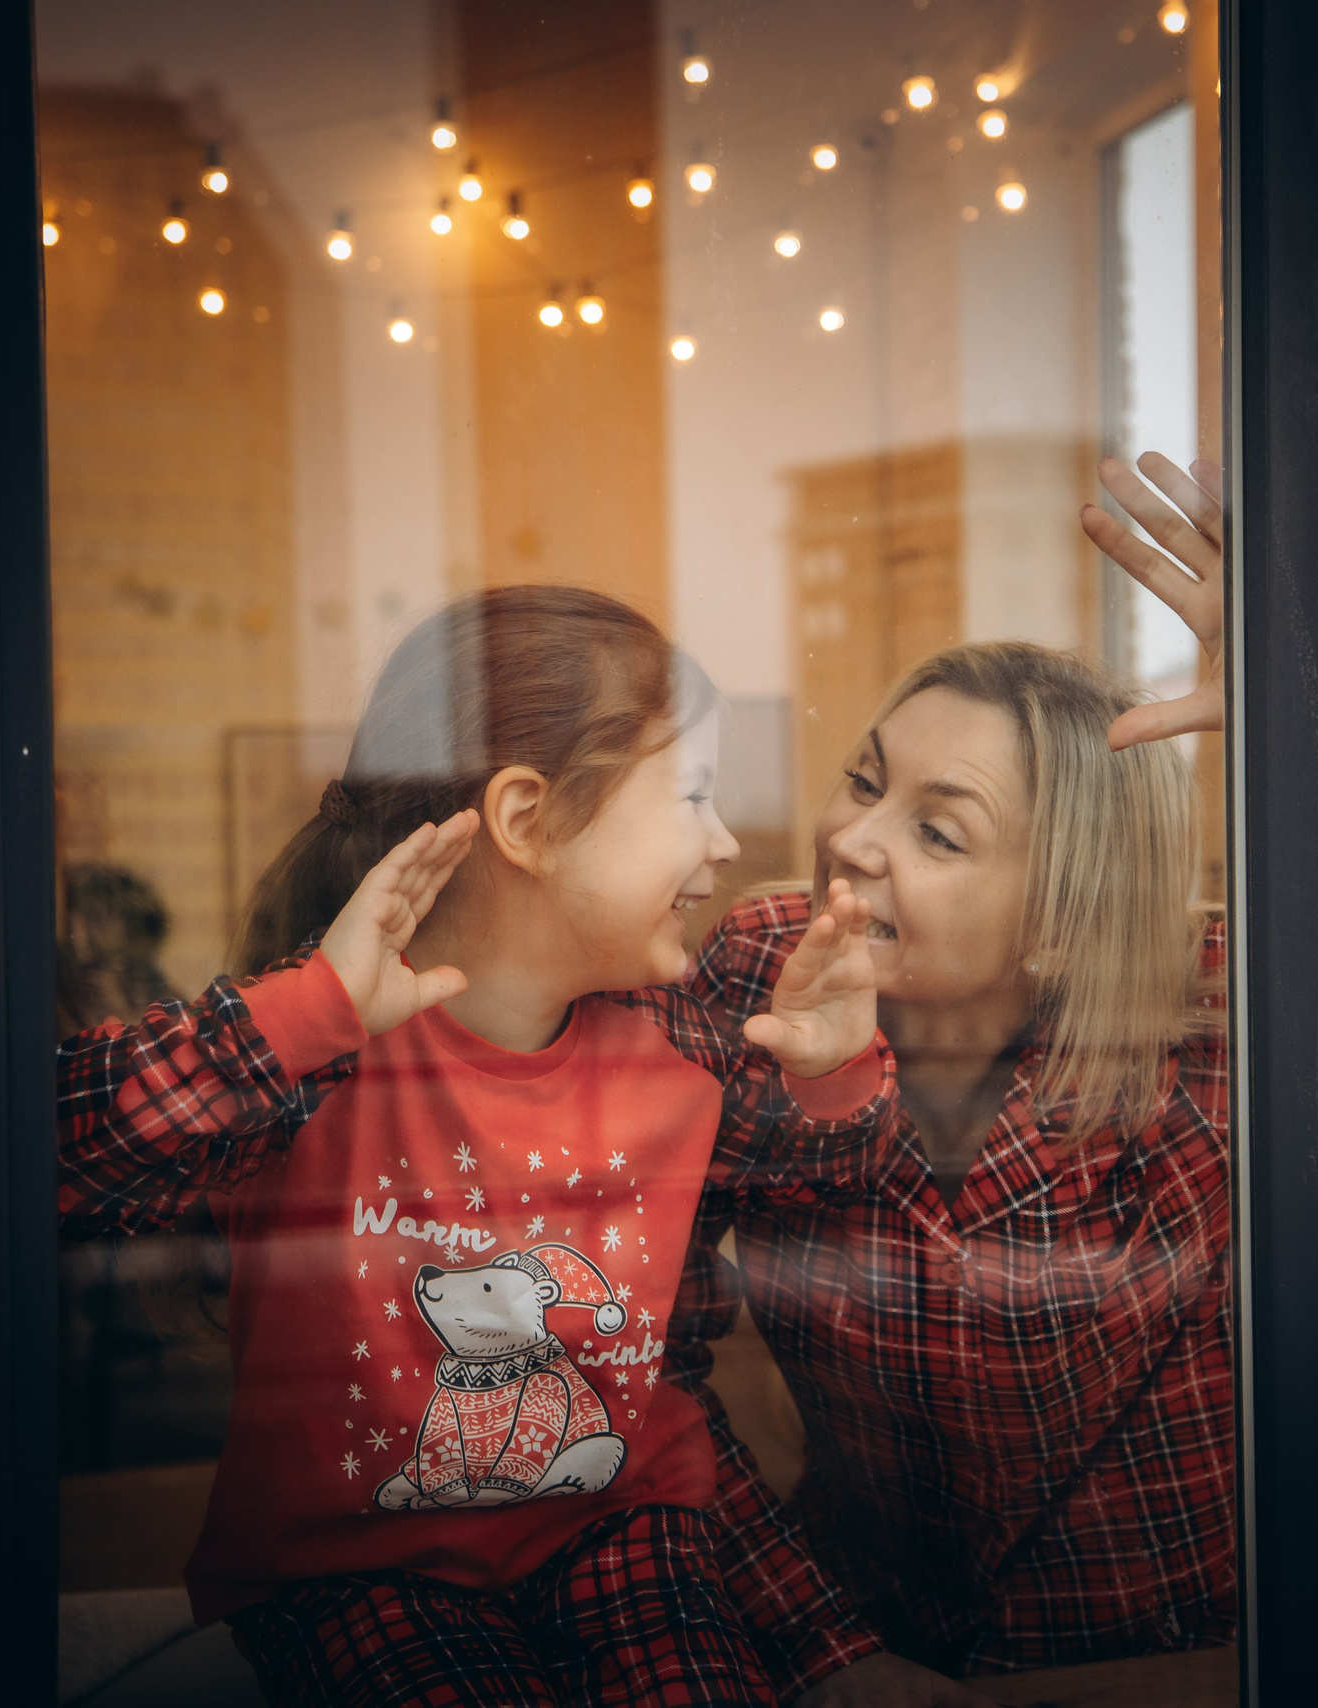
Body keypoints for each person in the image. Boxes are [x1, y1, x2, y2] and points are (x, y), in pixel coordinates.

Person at [664, 455, 1318, 1704]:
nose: (849, 837)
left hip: (1193, 1657)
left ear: (1064, 912)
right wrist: (830, 1651)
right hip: (865, 1633)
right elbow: (641, 1359)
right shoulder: (760, 964)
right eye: (866, 779)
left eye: (938, 829)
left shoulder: (1209, 1010)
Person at [55, 585, 893, 1708]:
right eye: (691, 794)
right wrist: (300, 1017)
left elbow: (813, 1234)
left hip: (625, 1536)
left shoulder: (684, 1045)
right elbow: (50, 1154)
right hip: (355, 1573)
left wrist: (830, 1068)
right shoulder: (314, 1060)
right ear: (526, 820)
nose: (726, 840)